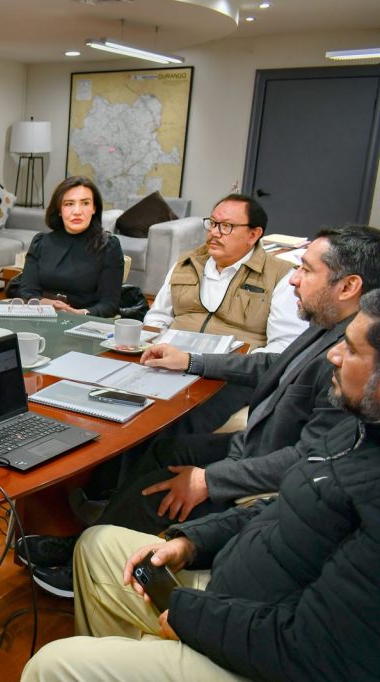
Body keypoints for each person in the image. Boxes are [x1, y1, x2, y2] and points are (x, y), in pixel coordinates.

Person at [20, 290, 380, 682]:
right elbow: (282, 509)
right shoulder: (354, 434)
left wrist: (193, 618)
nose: (334, 355)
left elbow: (312, 650)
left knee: (49, 665)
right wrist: (190, 541)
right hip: (232, 587)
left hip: (248, 636)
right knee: (98, 542)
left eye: (351, 350)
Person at [19, 225, 380, 597]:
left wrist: (209, 479)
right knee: (164, 448)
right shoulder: (331, 325)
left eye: (306, 269)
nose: (293, 279)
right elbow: (274, 364)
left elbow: (306, 461)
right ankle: (87, 538)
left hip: (265, 472)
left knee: (156, 490)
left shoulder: (355, 363)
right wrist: (193, 361)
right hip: (256, 445)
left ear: (348, 286)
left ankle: (85, 569)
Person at [141, 193, 307, 436]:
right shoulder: (186, 264)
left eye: (226, 226)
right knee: (125, 405)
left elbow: (284, 348)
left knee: (175, 423)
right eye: (213, 223)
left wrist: (220, 364)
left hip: (229, 376)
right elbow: (157, 317)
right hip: (170, 362)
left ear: (253, 234)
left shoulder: (280, 276)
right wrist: (155, 345)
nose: (214, 233)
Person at [15, 176, 124, 317]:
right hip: (42, 317)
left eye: (85, 203)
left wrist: (79, 313)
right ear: (59, 210)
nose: (77, 211)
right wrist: (47, 304)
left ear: (94, 208)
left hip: (85, 321)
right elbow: (26, 292)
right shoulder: (40, 242)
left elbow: (109, 304)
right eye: (69, 204)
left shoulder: (109, 247)